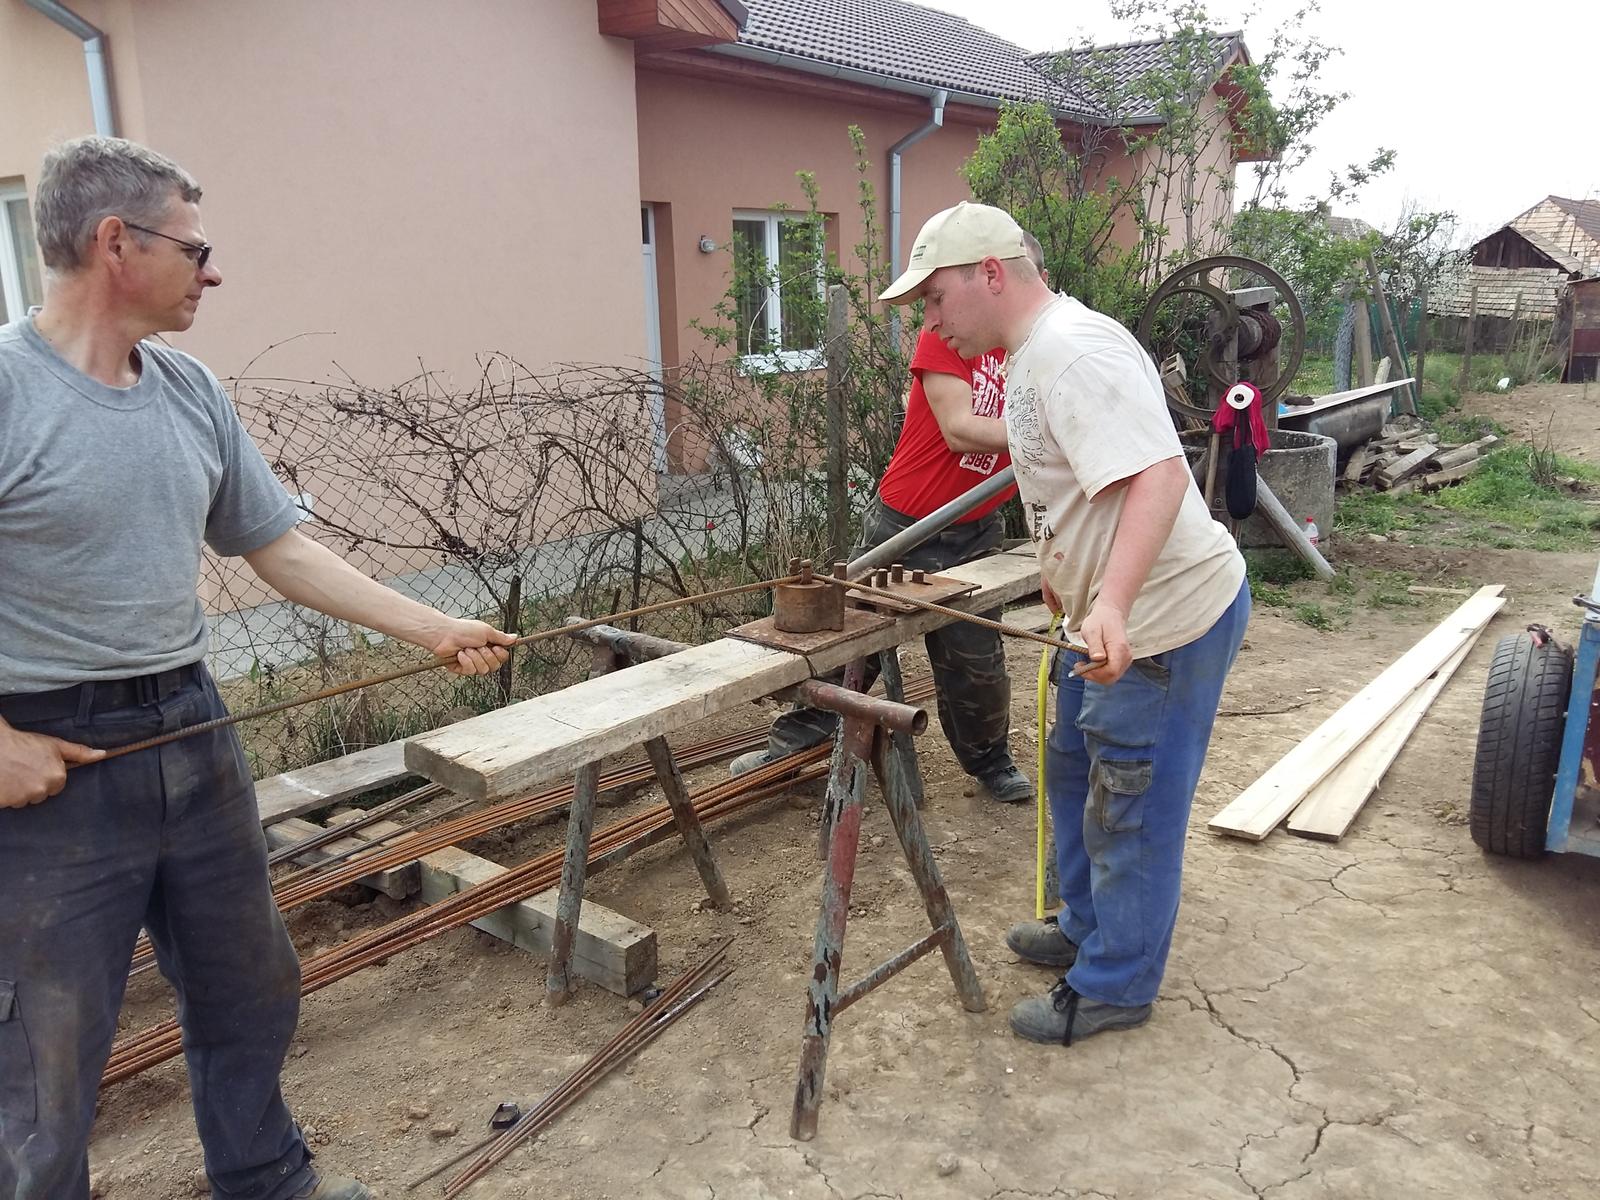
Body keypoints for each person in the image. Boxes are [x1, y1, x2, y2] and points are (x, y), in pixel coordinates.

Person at [0, 137, 516, 1200]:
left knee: (249, 983)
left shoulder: (188, 390)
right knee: (46, 1045)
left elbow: (275, 547)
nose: (213, 271)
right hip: (50, 760)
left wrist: (431, 627)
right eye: (195, 248)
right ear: (116, 243)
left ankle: (264, 1177)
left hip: (190, 727)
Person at [879, 202, 1250, 1046]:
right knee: (1077, 774)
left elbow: (1158, 477)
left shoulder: (1071, 352)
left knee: (1131, 808)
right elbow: (1072, 482)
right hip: (1102, 621)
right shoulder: (1027, 355)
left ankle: (1115, 983)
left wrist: (1110, 601)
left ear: (990, 273)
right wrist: (1067, 578)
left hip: (1161, 623)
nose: (930, 322)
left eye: (934, 298)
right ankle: (1086, 926)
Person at [729, 235, 1051, 805]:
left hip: (977, 528)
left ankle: (990, 761)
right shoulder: (948, 333)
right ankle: (790, 750)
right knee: (850, 646)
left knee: (976, 660)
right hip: (906, 524)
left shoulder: (1041, 347)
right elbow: (959, 428)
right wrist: (1053, 429)